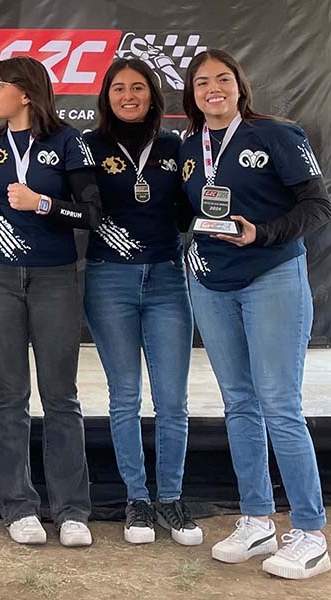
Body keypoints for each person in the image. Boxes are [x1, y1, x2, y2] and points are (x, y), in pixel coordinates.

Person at [180, 49, 331, 579]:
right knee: (238, 403)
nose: (212, 89)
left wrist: (261, 234)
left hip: (271, 279)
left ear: (240, 86)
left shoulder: (277, 134)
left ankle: (311, 533)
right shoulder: (187, 146)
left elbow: (317, 205)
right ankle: (256, 518)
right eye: (202, 82)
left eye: (222, 79)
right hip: (210, 283)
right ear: (192, 93)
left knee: (278, 405)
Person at [0, 56, 101, 547]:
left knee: (60, 394)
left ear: (25, 93)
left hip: (53, 278)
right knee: (9, 393)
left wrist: (43, 204)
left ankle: (71, 510)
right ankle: (19, 506)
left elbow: (91, 213)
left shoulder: (69, 143)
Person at [83, 58, 200, 546]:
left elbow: (194, 207)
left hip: (168, 279)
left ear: (153, 95)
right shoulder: (87, 145)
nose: (128, 95)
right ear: (106, 96)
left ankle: (170, 498)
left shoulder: (177, 146)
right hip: (109, 279)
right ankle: (137, 499)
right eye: (118, 88)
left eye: (138, 88)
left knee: (173, 401)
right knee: (125, 396)